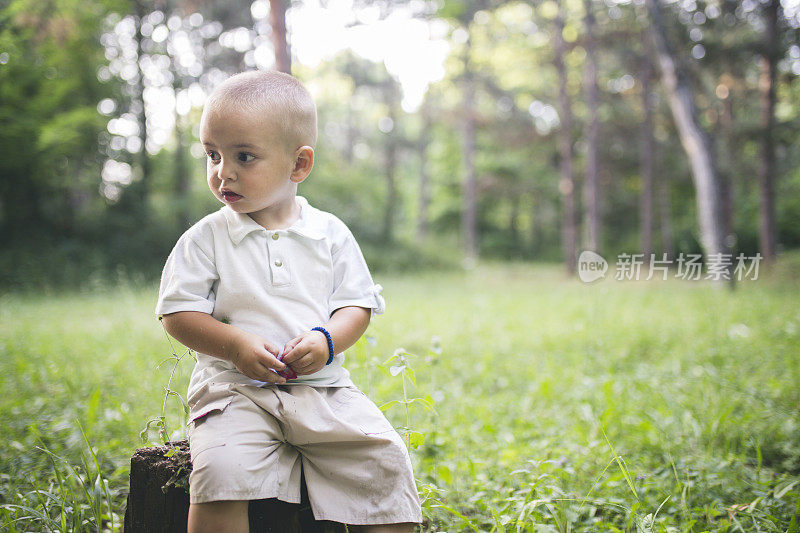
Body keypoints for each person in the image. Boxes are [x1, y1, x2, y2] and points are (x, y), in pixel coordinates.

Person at [156, 70, 421, 533]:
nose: (224, 172)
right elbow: (178, 313)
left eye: (244, 156)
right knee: (221, 472)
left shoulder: (329, 234)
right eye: (212, 154)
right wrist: (236, 345)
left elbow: (356, 306)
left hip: (324, 389)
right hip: (234, 392)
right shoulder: (206, 239)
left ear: (298, 165)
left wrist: (327, 341)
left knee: (383, 460)